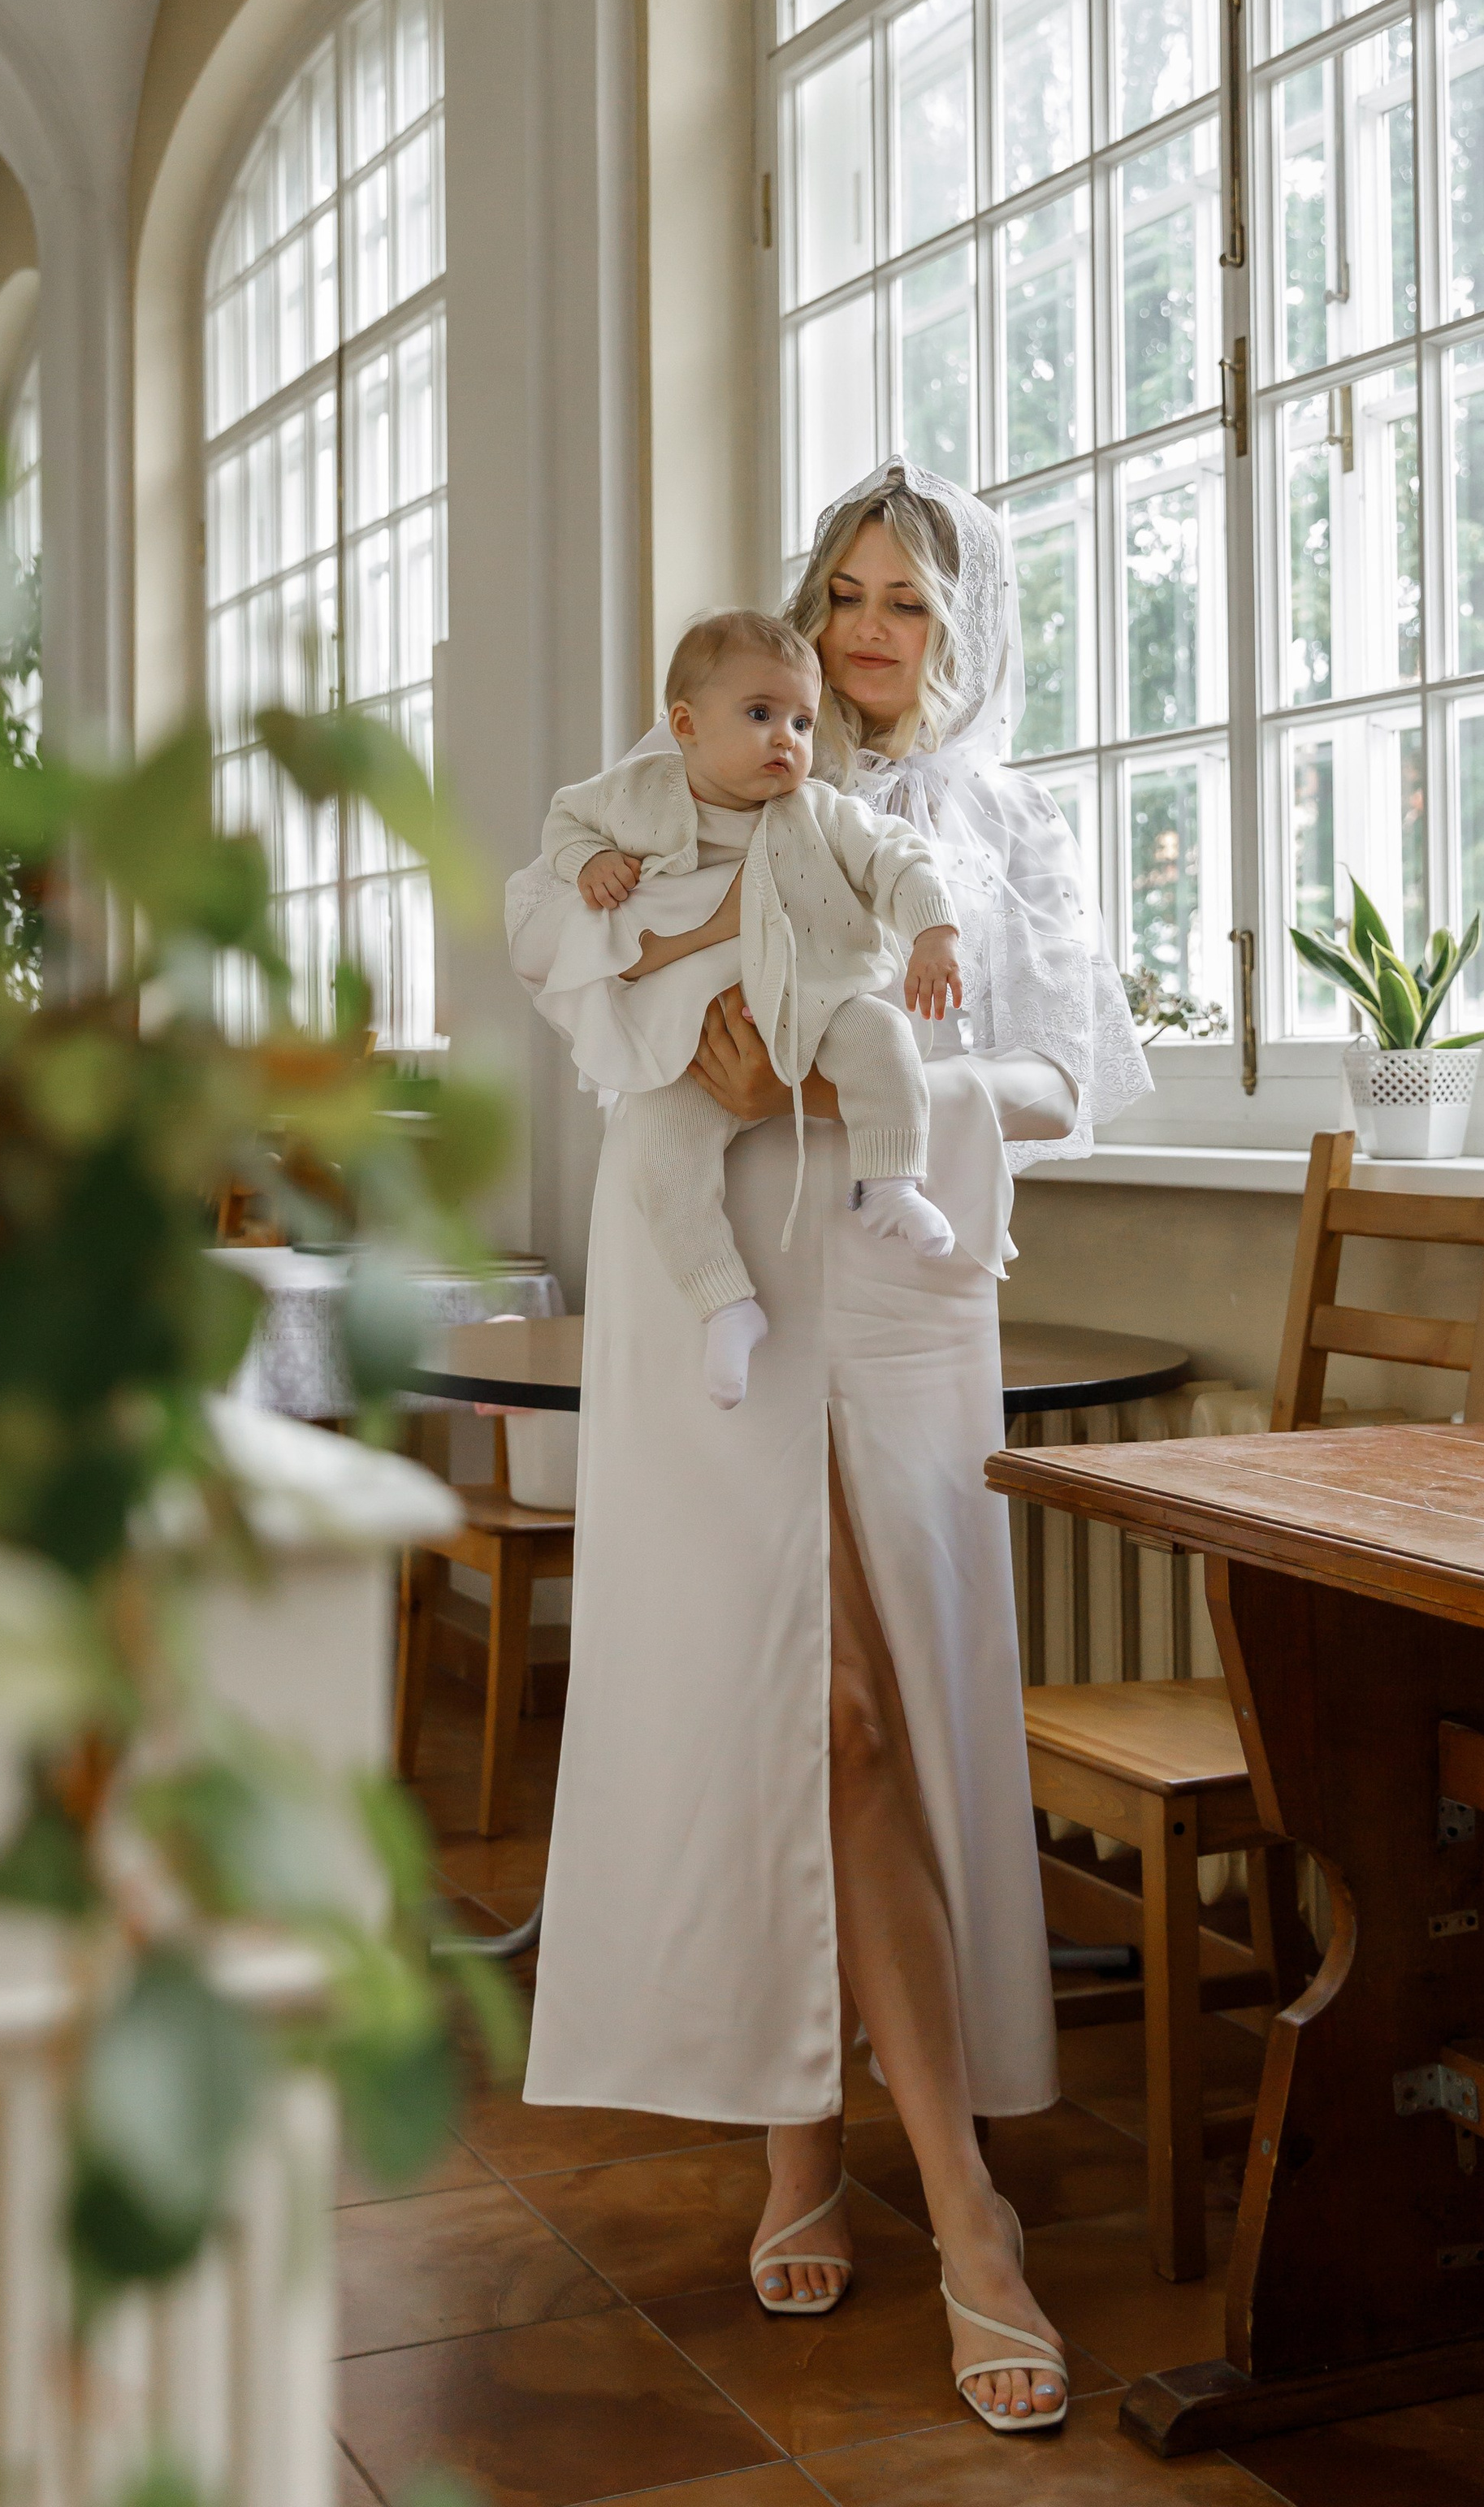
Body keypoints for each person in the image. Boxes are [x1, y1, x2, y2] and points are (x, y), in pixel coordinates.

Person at [506, 459, 1150, 2431]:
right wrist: (669, 1032)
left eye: (907, 603)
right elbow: (566, 948)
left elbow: (1068, 1079)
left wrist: (881, 1073)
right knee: (780, 1709)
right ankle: (829, 2145)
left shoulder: (998, 824)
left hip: (887, 1279)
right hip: (702, 1279)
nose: (867, 635)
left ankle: (938, 2184)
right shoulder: (692, 750)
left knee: (875, 1711)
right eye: (845, 594)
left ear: (961, 627)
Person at [540, 607, 963, 1407]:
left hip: (811, 1002)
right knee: (656, 1153)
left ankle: (892, 1178)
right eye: (761, 715)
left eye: (803, 721)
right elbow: (564, 818)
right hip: (697, 1040)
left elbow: (900, 859)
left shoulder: (820, 813)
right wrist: (588, 859)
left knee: (881, 1034)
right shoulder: (636, 796)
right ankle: (723, 1303)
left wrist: (935, 934)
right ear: (686, 725)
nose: (787, 740)